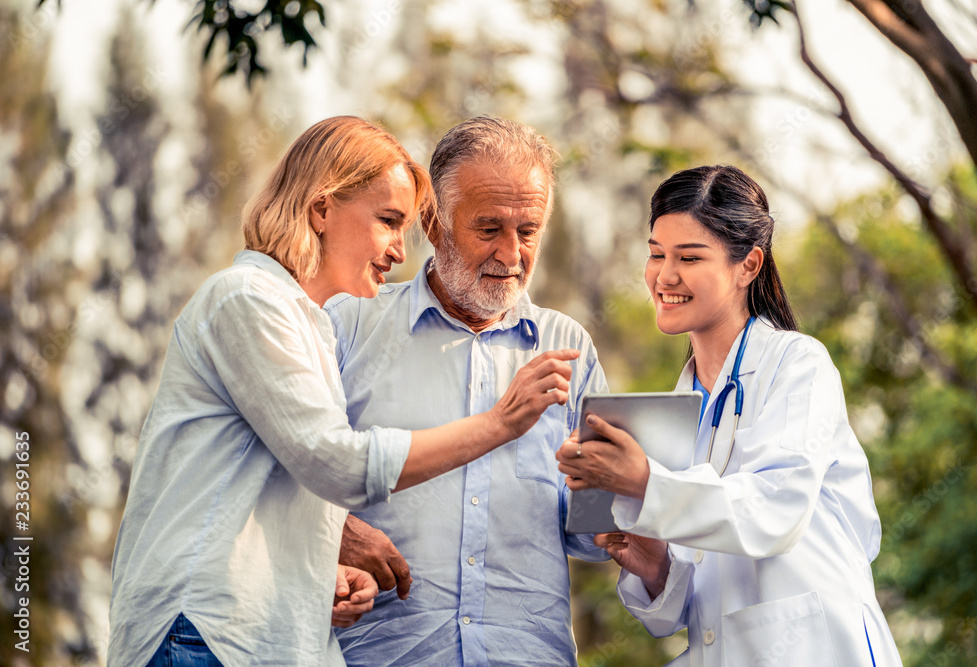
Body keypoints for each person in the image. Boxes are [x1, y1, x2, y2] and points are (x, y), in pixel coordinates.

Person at [108, 116, 580, 667]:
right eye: (387, 221)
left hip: (265, 637)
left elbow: (270, 487)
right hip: (204, 633)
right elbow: (340, 465)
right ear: (322, 209)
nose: (399, 252)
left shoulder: (305, 321)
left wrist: (323, 572)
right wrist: (501, 423)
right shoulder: (245, 299)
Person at [556, 165, 903, 666]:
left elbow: (774, 509)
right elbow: (674, 614)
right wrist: (653, 566)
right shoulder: (672, 411)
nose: (664, 276)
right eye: (656, 254)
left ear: (749, 265)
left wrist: (647, 483)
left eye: (689, 257)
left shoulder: (798, 365)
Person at [326, 116, 609, 665]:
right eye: (489, 229)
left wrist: (622, 500)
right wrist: (330, 529)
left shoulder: (568, 344)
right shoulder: (349, 325)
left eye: (528, 231)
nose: (511, 253)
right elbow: (280, 468)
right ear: (432, 220)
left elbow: (588, 535)